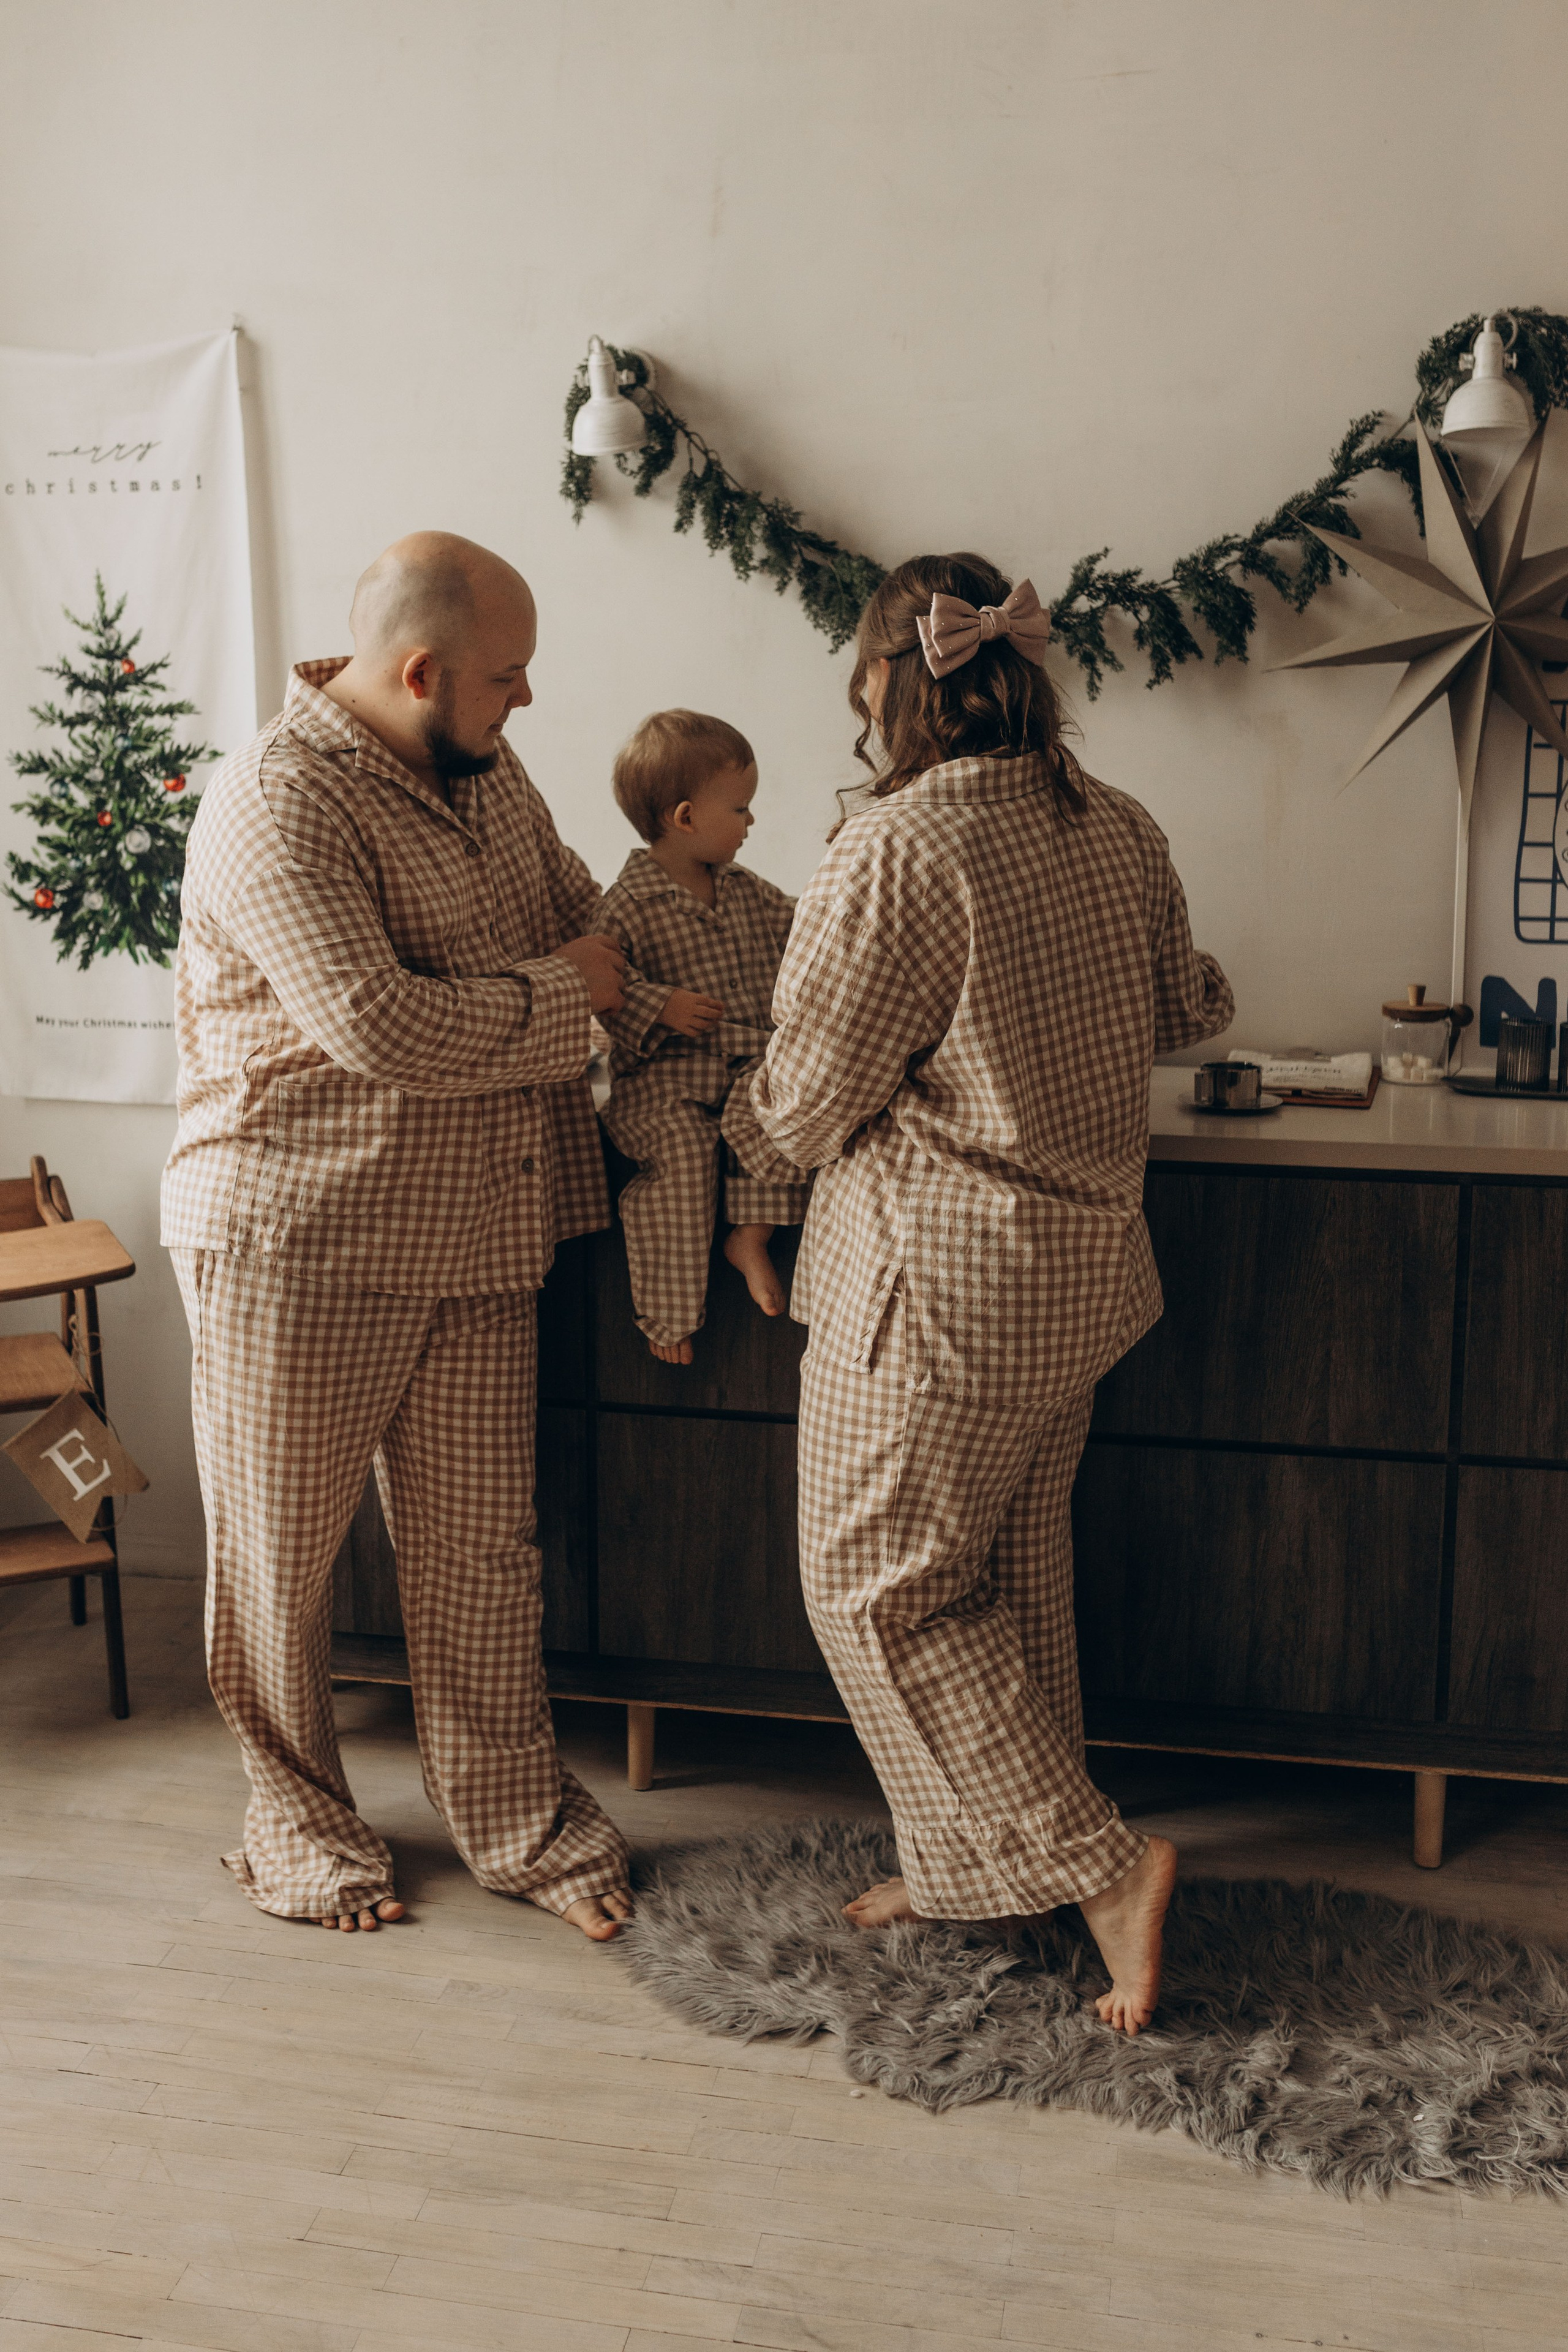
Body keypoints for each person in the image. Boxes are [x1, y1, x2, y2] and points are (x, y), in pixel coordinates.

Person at [750, 552, 1234, 2034]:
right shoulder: (1116, 819)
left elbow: (813, 1090)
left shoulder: (893, 846)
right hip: (1079, 1282)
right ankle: (974, 1868)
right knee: (1007, 1586)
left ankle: (1095, 1867)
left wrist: (740, 1137)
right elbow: (1191, 1007)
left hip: (936, 1285)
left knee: (880, 1589)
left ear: (893, 684)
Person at [161, 531, 635, 1941]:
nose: (527, 698)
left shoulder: (486, 771)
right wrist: (564, 991)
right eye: (506, 674)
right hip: (294, 1234)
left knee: (481, 1552)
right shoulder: (272, 798)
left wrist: (689, 939)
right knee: (277, 1560)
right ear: (420, 669)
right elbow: (378, 1021)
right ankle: (295, 1816)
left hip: (480, 1225)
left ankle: (518, 1818)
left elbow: (583, 917)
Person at [592, 709, 810, 1367]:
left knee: (787, 1114)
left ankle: (750, 1236)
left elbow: (811, 929)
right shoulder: (625, 905)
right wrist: (660, 1006)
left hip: (745, 1066)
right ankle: (668, 1310)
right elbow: (599, 986)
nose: (750, 824)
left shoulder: (748, 893)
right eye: (740, 810)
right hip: (663, 1083)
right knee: (684, 1154)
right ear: (685, 818)